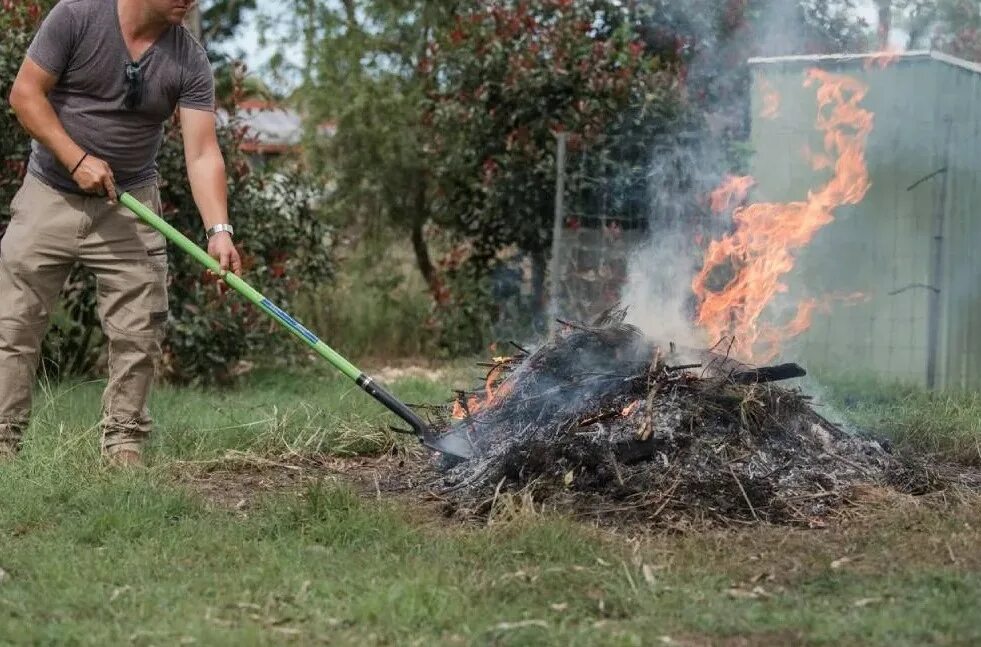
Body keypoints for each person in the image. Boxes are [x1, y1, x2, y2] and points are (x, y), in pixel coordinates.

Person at [1, 0, 243, 466]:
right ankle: (3, 444)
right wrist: (75, 158)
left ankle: (123, 445)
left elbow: (202, 153)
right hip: (50, 192)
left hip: (130, 203)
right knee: (13, 323)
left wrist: (219, 230)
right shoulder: (76, 16)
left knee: (140, 328)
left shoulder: (188, 58)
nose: (189, 0)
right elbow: (25, 95)